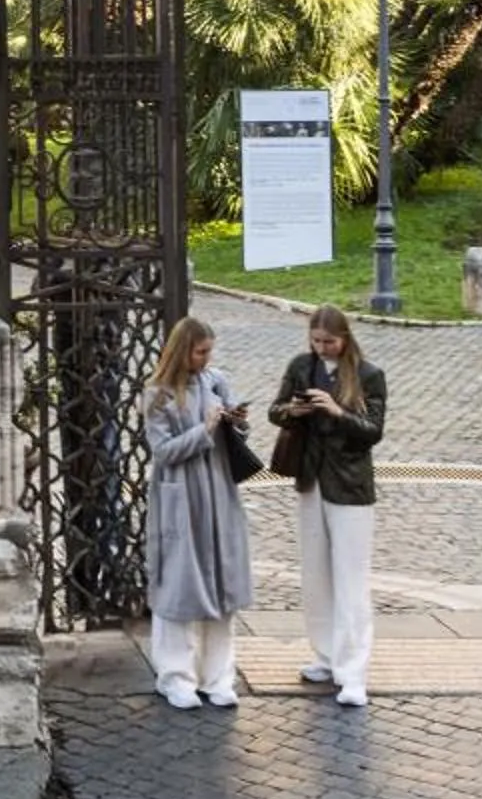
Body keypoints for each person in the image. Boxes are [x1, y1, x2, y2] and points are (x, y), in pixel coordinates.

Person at [269, 304, 387, 709]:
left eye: (329, 342)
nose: (322, 348)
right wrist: (293, 411)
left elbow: (373, 431)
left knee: (351, 580)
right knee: (315, 572)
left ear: (345, 338)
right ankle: (325, 655)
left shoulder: (368, 375)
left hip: (350, 486)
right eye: (316, 341)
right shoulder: (302, 366)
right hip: (310, 479)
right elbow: (275, 411)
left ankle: (353, 673)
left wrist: (337, 412)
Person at [145, 316, 256, 710]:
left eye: (210, 351)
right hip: (181, 498)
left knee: (221, 584)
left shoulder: (215, 381)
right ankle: (175, 676)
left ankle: (218, 677)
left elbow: (235, 436)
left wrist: (237, 424)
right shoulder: (158, 394)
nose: (207, 358)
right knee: (180, 585)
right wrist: (203, 431)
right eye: (200, 351)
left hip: (218, 492)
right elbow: (163, 452)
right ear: (183, 351)